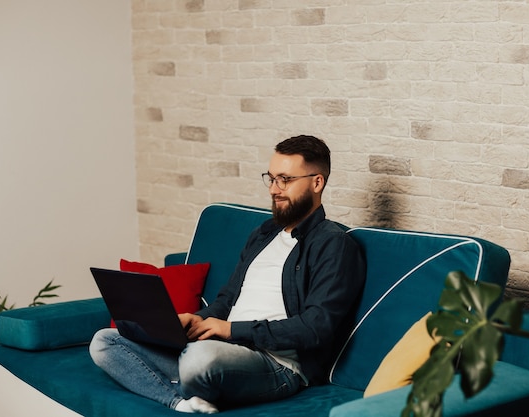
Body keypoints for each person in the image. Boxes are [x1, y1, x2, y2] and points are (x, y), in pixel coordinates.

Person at [89, 135, 367, 413]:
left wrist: (231, 330)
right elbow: (226, 301)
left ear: (317, 182)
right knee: (105, 341)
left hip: (277, 364)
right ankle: (182, 402)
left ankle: (180, 383)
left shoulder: (334, 244)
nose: (274, 189)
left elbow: (315, 328)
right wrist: (195, 321)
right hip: (221, 348)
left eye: (285, 179)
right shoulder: (263, 234)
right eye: (270, 178)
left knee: (198, 359)